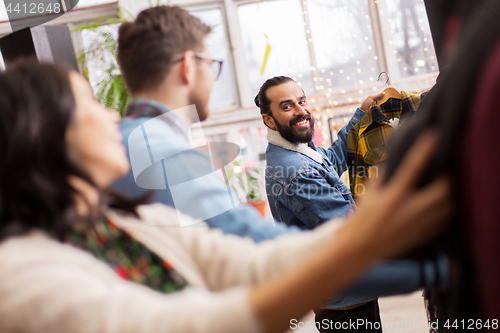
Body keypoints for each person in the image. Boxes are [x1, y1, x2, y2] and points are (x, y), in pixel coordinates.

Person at [0, 60, 451, 333]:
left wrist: (429, 260)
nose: (108, 115)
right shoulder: (20, 276)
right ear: (45, 135)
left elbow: (249, 263)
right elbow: (201, 323)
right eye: (88, 105)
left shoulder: (121, 224)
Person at [110, 5, 450, 303]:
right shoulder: (167, 153)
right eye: (212, 65)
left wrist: (360, 116)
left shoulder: (125, 141)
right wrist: (436, 270)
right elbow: (255, 246)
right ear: (188, 66)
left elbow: (327, 161)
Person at [257, 76, 384, 331]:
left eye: (301, 101)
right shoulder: (296, 171)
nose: (301, 111)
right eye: (287, 106)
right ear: (268, 120)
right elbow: (352, 228)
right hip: (345, 299)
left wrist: (362, 113)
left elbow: (335, 158)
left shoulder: (297, 151)